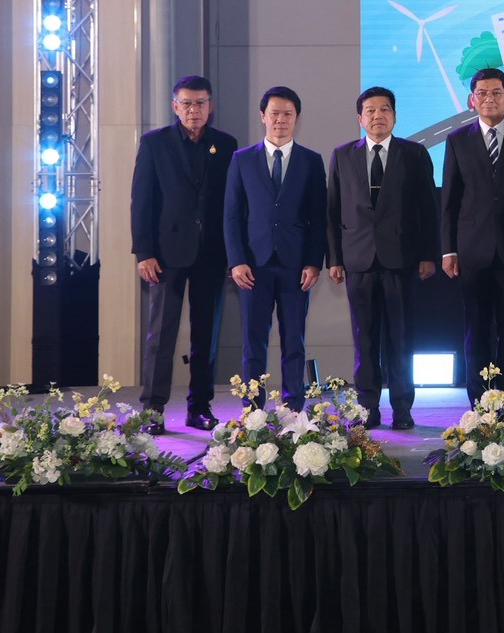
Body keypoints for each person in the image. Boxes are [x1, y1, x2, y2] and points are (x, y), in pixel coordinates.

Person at [326, 86, 439, 430]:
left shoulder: (414, 153)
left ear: (395, 115)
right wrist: (335, 258)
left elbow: (428, 208)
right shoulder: (342, 155)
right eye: (371, 111)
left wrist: (429, 254)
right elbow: (332, 210)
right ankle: (368, 409)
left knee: (401, 340)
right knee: (365, 340)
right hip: (358, 259)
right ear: (360, 118)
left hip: (401, 259)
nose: (378, 116)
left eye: (385, 109)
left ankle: (402, 409)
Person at [130, 76, 237, 434]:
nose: (194, 110)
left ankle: (199, 407)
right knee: (161, 335)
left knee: (206, 336)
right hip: (165, 254)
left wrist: (234, 253)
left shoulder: (226, 144)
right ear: (175, 107)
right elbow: (141, 202)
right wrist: (144, 252)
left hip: (212, 254)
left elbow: (232, 204)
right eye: (187, 103)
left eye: (201, 103)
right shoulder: (154, 143)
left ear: (211, 106)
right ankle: (152, 409)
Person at [440, 67, 504, 402]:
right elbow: (450, 200)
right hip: (472, 251)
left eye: (496, 92)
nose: (489, 98)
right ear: (472, 100)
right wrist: (449, 250)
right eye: (482, 93)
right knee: (476, 331)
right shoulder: (458, 140)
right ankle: (480, 402)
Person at [224, 86, 327, 410]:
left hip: (296, 266)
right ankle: (252, 409)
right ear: (263, 116)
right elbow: (231, 215)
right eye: (274, 113)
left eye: (287, 114)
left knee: (294, 340)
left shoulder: (311, 160)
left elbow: (318, 217)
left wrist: (314, 262)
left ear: (297, 118)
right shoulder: (242, 159)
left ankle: (294, 407)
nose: (280, 120)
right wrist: (237, 261)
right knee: (253, 341)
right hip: (253, 266)